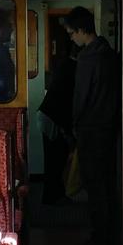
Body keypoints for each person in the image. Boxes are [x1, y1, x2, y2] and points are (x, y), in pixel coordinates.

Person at [64, 6, 120, 245]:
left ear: (81, 30)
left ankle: (99, 236)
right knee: (107, 181)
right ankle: (110, 235)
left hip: (89, 127)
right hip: (109, 127)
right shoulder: (110, 54)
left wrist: (74, 124)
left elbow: (80, 97)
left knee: (93, 183)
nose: (71, 38)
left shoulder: (87, 58)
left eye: (71, 33)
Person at [38, 43, 76, 204]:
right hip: (53, 116)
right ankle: (51, 196)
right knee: (55, 158)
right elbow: (66, 103)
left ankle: (54, 194)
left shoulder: (65, 65)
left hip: (47, 114)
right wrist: (68, 132)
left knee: (54, 157)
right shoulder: (73, 68)